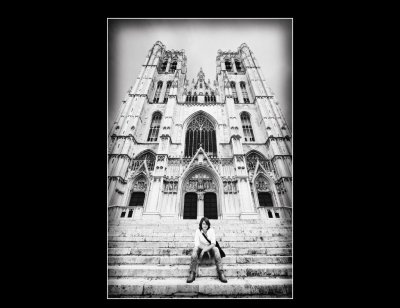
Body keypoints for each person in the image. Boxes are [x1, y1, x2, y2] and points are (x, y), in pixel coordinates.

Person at [186, 217, 227, 283]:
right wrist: (203, 249)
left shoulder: (211, 230)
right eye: (203, 224)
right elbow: (197, 244)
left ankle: (221, 272)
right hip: (200, 247)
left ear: (208, 225)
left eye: (206, 224)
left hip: (210, 247)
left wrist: (205, 250)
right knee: (194, 250)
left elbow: (213, 244)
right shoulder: (198, 231)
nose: (205, 225)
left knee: (216, 249)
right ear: (201, 224)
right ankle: (192, 273)